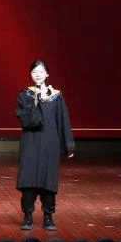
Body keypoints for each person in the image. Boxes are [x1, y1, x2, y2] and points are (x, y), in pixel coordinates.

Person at [14, 59, 76, 231]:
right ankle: (27, 215)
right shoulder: (25, 95)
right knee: (28, 180)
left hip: (50, 143)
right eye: (34, 72)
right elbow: (25, 119)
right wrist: (35, 102)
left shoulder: (56, 96)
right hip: (31, 142)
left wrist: (69, 145)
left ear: (47, 74)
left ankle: (48, 216)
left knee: (48, 181)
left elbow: (63, 121)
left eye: (41, 72)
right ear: (30, 75)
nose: (38, 75)